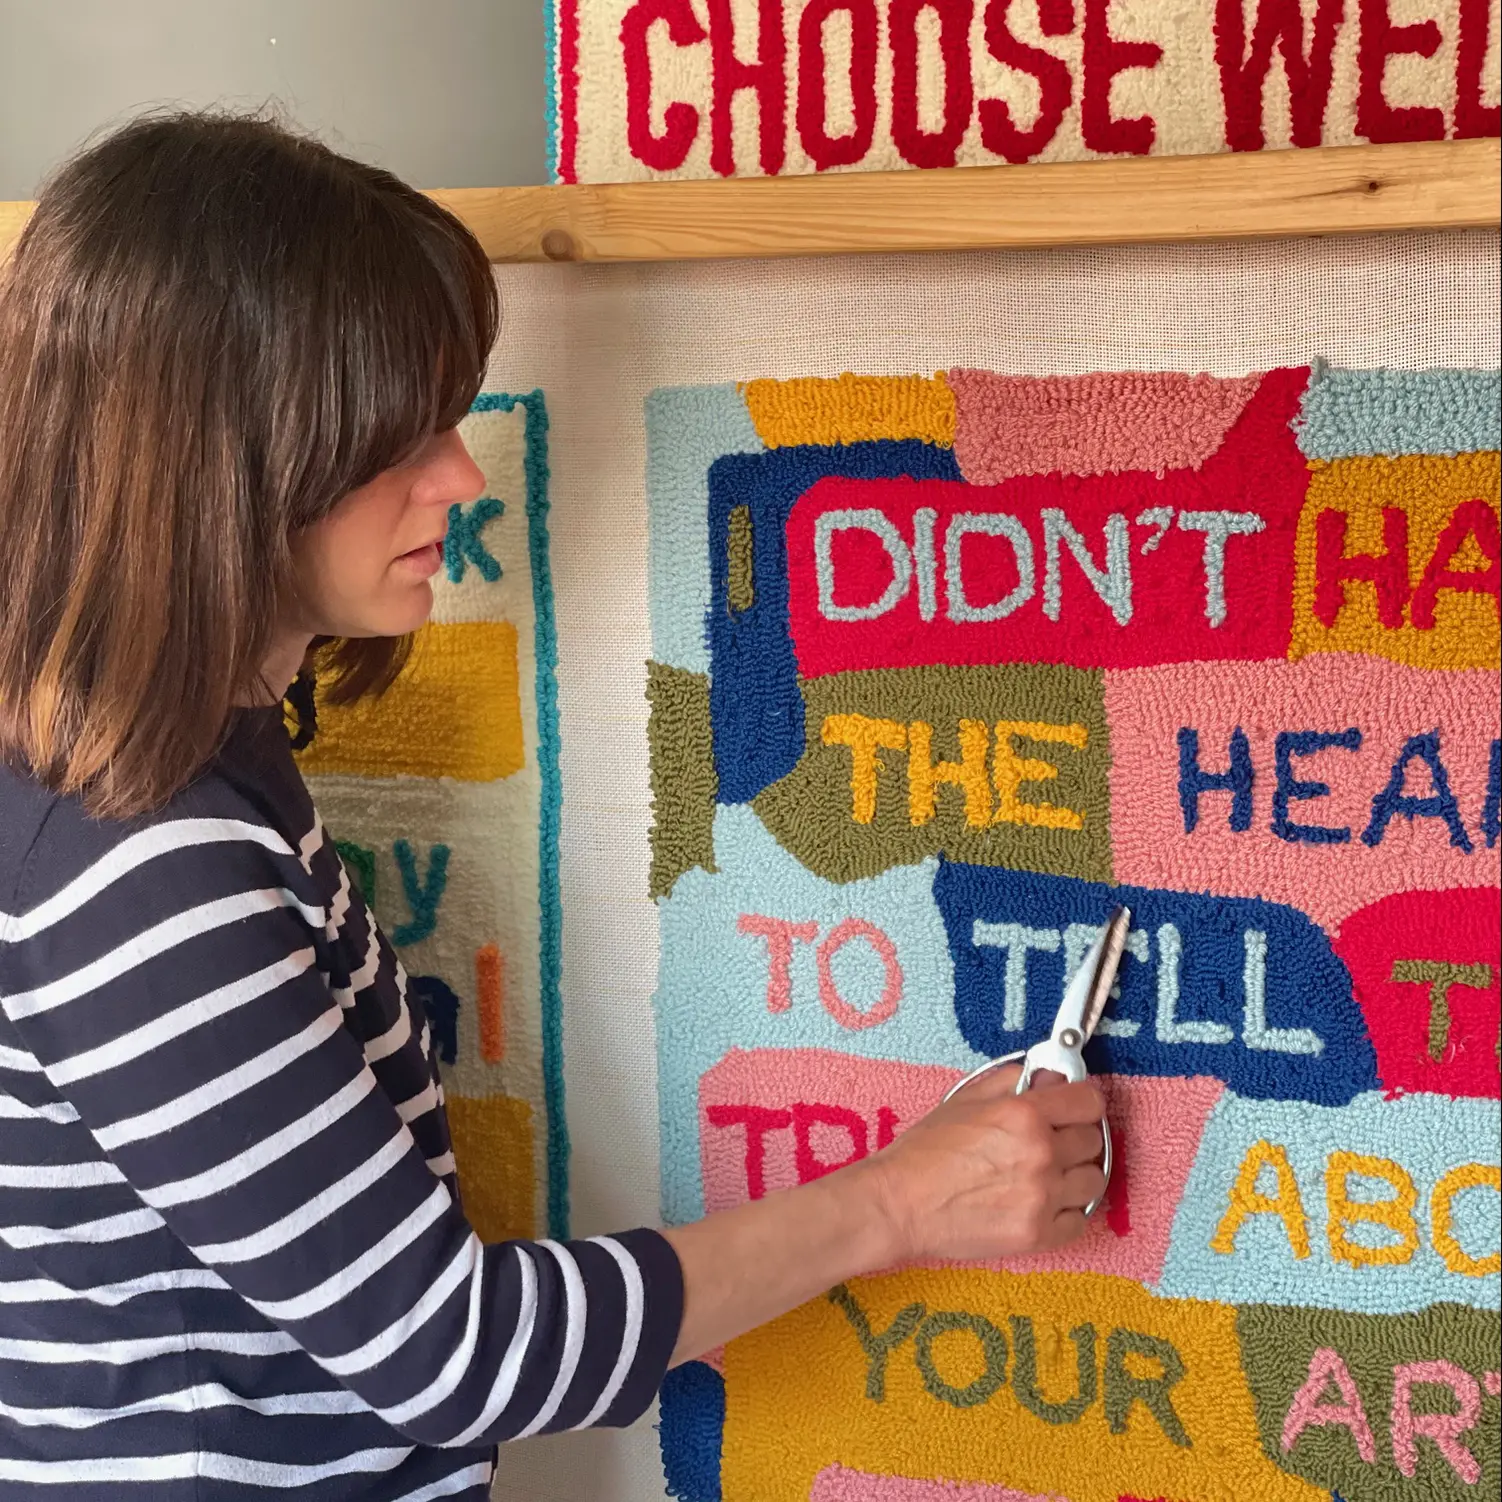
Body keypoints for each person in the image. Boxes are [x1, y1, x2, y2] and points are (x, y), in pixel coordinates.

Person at [0, 112, 1107, 1501]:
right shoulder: (142, 850)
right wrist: (900, 1199)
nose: (460, 477)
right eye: (392, 439)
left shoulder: (159, 772)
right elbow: (446, 1349)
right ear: (224, 460)